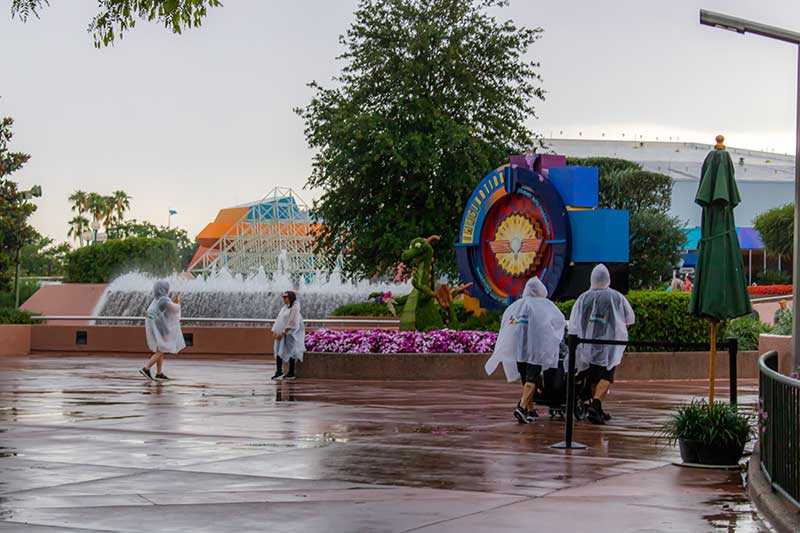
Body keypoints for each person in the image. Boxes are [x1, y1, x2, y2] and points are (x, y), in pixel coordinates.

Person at [485, 277, 566, 424]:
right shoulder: (544, 306)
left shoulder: (516, 307)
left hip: (519, 351)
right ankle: (521, 407)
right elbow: (558, 322)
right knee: (532, 378)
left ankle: (529, 409)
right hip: (535, 351)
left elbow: (508, 327)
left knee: (525, 378)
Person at [568, 264, 635, 425]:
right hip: (608, 345)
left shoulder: (583, 298)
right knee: (606, 375)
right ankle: (596, 403)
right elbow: (629, 318)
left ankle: (596, 407)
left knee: (592, 377)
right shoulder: (616, 297)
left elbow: (575, 322)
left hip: (587, 346)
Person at [140, 280, 185, 381]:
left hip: (153, 324)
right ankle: (146, 368)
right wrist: (178, 302)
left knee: (160, 348)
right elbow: (175, 309)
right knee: (164, 348)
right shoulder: (163, 300)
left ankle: (159, 373)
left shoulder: (157, 299)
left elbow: (153, 312)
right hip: (160, 326)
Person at [271, 290, 305, 380]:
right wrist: (275, 331)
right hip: (281, 333)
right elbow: (279, 319)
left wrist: (284, 332)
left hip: (290, 334)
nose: (284, 299)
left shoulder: (294, 308)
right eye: (283, 297)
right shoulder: (284, 308)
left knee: (291, 352)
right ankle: (279, 371)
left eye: (286, 297)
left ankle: (291, 372)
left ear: (291, 297)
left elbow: (292, 322)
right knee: (279, 351)